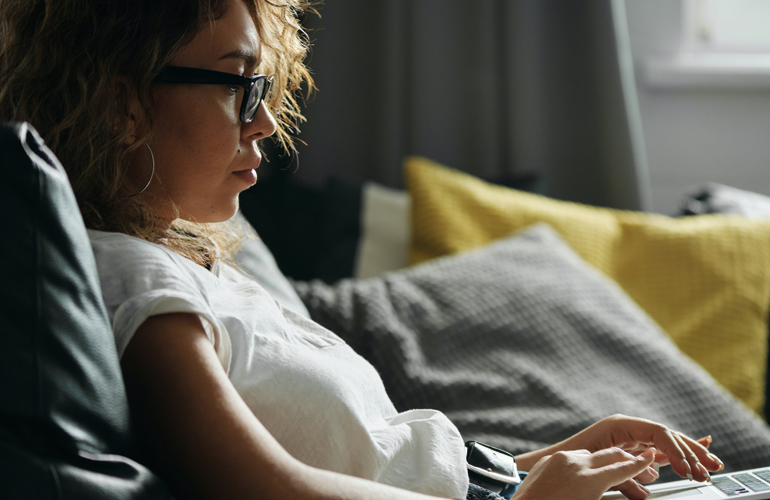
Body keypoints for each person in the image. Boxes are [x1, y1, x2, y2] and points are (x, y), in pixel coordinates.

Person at [0, 1, 724, 499]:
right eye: (240, 88)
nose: (267, 125)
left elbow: (384, 465)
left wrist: (544, 464)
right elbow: (257, 487)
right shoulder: (132, 277)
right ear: (125, 104)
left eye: (267, 88)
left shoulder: (198, 268)